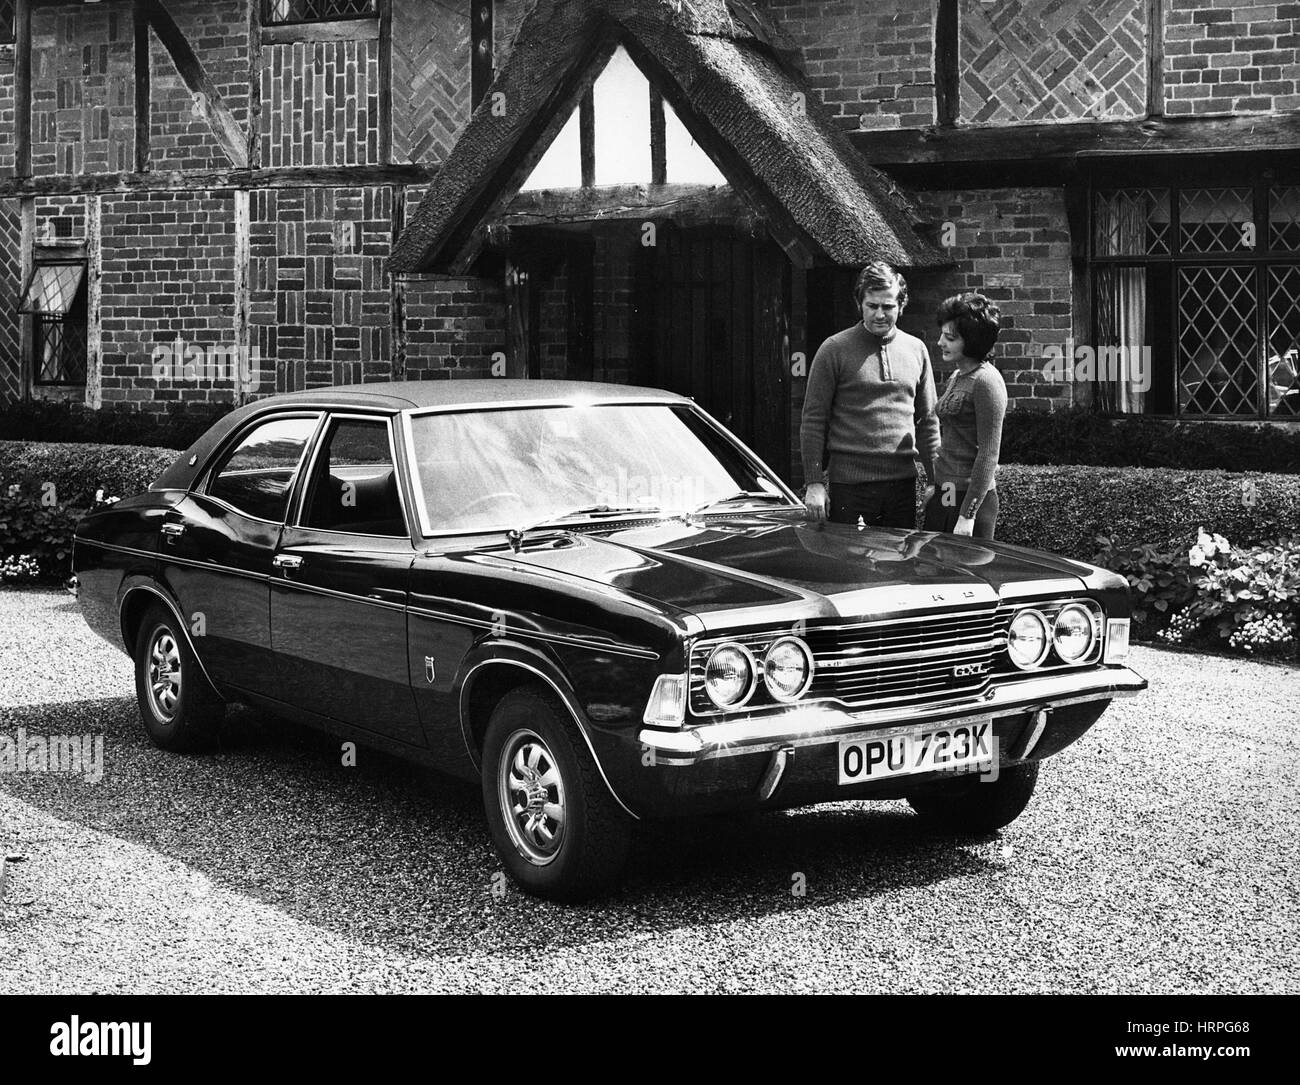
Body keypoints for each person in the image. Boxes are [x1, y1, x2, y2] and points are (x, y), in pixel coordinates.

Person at [800, 262, 939, 528]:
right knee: (852, 568)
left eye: (888, 307)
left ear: (901, 305)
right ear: (859, 303)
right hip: (850, 487)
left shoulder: (916, 349)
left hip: (902, 485)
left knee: (898, 565)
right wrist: (814, 482)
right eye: (872, 305)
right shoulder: (833, 349)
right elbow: (813, 420)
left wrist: (934, 481)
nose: (879, 314)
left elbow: (928, 422)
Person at [923, 292, 1007, 539]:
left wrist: (967, 515)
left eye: (950, 338)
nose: (940, 342)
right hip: (947, 492)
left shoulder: (986, 381)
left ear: (971, 341)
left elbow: (989, 454)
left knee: (965, 575)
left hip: (971, 501)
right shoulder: (957, 376)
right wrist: (937, 490)